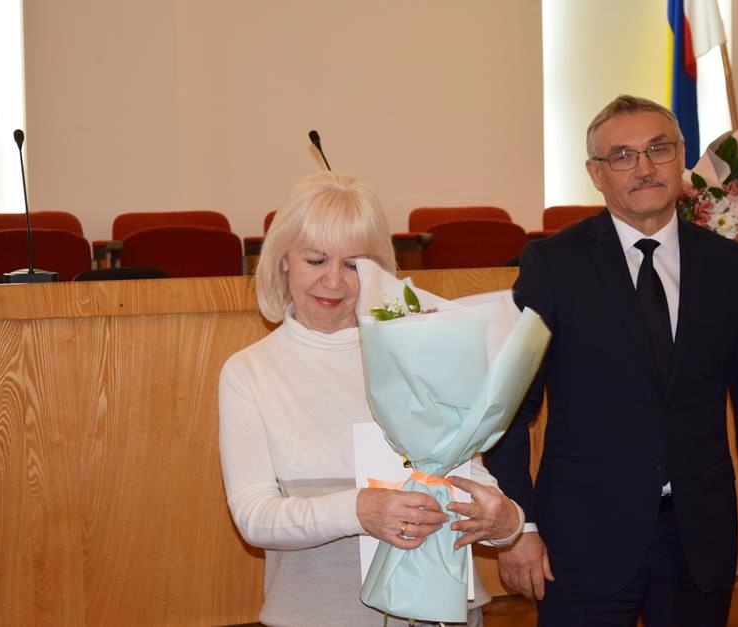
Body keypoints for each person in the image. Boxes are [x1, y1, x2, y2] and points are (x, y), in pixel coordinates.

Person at [485, 95, 738, 626]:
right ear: (596, 174)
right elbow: (509, 409)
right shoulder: (553, 265)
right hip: (580, 544)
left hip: (699, 540)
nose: (644, 167)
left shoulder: (727, 265)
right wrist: (518, 527)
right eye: (622, 156)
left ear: (681, 157)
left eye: (658, 149)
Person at [218, 170, 525, 627]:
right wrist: (359, 509)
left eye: (353, 264)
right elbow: (254, 517)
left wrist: (506, 522)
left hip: (442, 614)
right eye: (316, 260)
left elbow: (472, 479)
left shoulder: (419, 347)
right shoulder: (249, 371)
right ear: (283, 260)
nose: (333, 282)